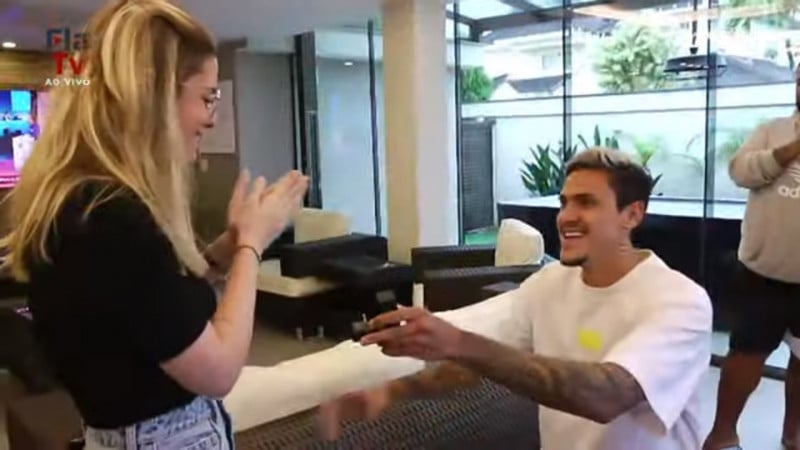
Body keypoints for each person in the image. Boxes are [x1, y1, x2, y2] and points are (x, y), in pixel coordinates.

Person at [0, 0, 308, 448]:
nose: (212, 118)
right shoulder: (111, 218)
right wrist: (252, 246)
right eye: (207, 98)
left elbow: (153, 307)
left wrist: (227, 247)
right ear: (155, 95)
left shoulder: (81, 203)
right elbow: (219, 370)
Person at [319, 148, 713, 450]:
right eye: (564, 202)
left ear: (632, 215)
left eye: (586, 203)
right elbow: (475, 367)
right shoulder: (549, 284)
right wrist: (394, 391)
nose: (566, 216)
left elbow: (608, 395)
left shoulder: (679, 302)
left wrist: (459, 342)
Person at [704, 66, 800, 450]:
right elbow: (740, 171)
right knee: (746, 356)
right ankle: (722, 434)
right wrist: (791, 149)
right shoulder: (771, 130)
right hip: (763, 273)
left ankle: (793, 433)